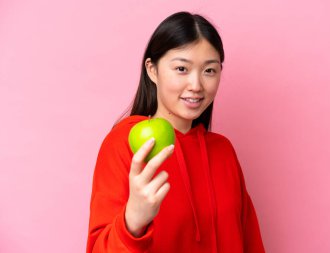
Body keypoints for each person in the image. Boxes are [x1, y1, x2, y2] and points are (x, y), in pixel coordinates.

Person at [86, 11, 265, 253]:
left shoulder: (223, 151)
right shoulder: (124, 142)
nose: (196, 85)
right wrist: (133, 221)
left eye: (209, 70)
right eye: (182, 68)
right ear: (152, 70)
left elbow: (250, 242)